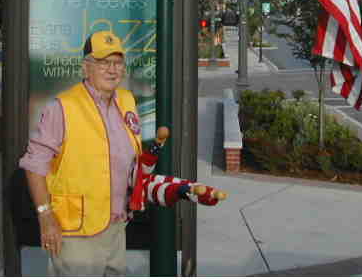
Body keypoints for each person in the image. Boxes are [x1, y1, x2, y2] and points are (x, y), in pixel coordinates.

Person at [19, 30, 225, 276]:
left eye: (117, 63)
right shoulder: (62, 107)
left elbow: (131, 165)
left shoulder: (126, 101)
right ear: (86, 68)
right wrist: (45, 216)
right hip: (76, 231)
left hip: (116, 225)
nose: (112, 69)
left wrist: (175, 188)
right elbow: (34, 165)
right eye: (103, 62)